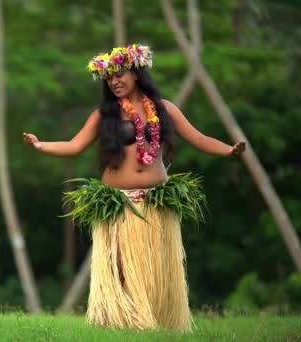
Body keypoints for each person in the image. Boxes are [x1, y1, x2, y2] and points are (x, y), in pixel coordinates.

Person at [22, 44, 245, 332]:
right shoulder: (106, 115)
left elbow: (200, 140)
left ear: (137, 73)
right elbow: (74, 145)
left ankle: (152, 322)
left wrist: (229, 150)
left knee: (155, 271)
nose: (114, 82)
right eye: (109, 78)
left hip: (156, 204)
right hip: (118, 205)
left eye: (120, 74)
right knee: (121, 269)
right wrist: (41, 145)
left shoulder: (164, 109)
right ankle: (119, 322)